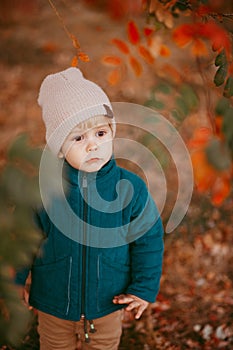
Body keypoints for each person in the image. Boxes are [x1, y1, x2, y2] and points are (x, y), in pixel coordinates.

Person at [15, 67, 164, 350]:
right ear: (59, 148)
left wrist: (142, 288)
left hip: (107, 305)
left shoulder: (129, 188)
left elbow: (148, 240)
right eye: (78, 138)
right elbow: (21, 237)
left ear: (112, 132)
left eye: (100, 133)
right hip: (54, 305)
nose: (92, 145)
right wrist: (13, 282)